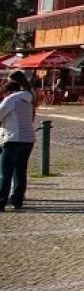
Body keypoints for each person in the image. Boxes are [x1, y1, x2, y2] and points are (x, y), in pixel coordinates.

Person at [0, 80, 36, 211]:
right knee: (20, 171)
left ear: (8, 91)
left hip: (13, 139)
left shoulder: (10, 100)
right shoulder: (27, 101)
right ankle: (17, 200)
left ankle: (1, 201)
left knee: (5, 172)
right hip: (28, 139)